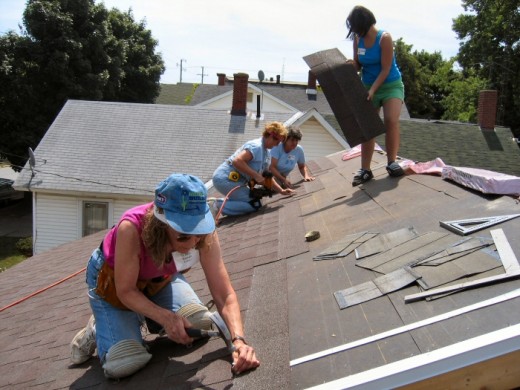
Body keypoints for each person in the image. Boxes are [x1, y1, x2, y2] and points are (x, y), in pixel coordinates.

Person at [70, 173, 260, 379]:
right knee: (124, 362)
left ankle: (147, 316)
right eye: (183, 235)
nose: (194, 242)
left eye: (198, 231)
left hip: (158, 280)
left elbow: (224, 294)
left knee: (198, 323)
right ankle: (98, 328)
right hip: (114, 286)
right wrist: (166, 318)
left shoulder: (204, 232)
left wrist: (239, 340)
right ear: (161, 224)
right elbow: (125, 290)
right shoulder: (131, 228)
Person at [346, 5, 405, 186]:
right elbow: (358, 64)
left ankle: (392, 162)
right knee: (368, 125)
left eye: (356, 28)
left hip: (390, 85)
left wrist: (373, 90)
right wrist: (350, 65)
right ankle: (366, 169)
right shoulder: (358, 39)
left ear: (364, 24)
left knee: (390, 120)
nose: (355, 32)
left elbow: (386, 68)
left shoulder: (384, 39)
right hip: (368, 85)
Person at [211, 122, 295, 216]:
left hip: (235, 181)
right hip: (225, 178)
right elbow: (237, 161)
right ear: (271, 136)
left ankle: (222, 204)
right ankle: (217, 205)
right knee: (254, 203)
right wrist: (256, 176)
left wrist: (281, 191)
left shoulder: (266, 153)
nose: (277, 145)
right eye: (277, 142)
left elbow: (266, 176)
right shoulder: (256, 146)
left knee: (256, 201)